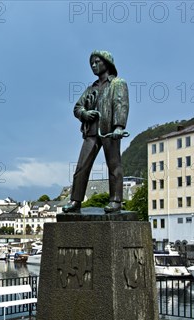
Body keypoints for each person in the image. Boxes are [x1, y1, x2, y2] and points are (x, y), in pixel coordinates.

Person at [63, 50, 129, 213]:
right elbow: (77, 107)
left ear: (107, 63)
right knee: (81, 166)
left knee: (114, 166)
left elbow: (121, 105)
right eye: (91, 63)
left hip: (109, 131)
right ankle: (75, 201)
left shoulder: (117, 83)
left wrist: (119, 126)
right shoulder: (90, 88)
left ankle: (116, 201)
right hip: (91, 132)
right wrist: (84, 113)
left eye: (97, 62)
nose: (93, 65)